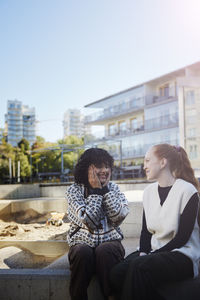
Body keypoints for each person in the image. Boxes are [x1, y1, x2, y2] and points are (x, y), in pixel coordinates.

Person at [110, 143, 200, 300]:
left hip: (183, 254)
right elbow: (145, 231)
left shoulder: (187, 191)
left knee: (139, 267)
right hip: (154, 250)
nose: (144, 166)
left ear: (163, 162)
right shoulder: (148, 192)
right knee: (117, 273)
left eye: (147, 160)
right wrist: (143, 252)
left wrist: (149, 256)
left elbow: (182, 238)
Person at [66, 148, 129, 300]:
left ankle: (112, 296)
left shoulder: (114, 188)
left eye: (107, 166)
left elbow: (118, 217)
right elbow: (90, 222)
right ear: (86, 168)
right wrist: (95, 191)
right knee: (82, 252)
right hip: (81, 243)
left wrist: (105, 190)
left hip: (110, 244)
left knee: (105, 250)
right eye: (99, 166)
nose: (105, 170)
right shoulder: (73, 190)